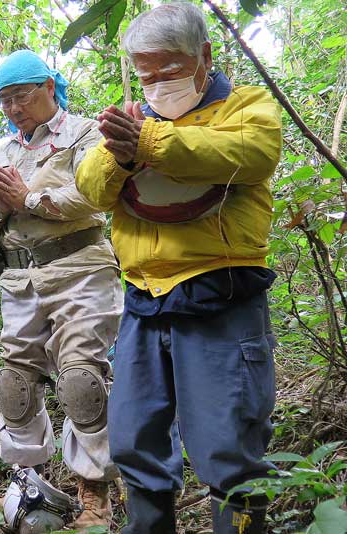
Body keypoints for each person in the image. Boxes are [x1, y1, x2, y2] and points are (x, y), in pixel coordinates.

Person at [75, 3, 282, 532]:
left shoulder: (246, 107)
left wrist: (150, 143)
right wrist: (121, 154)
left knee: (228, 447)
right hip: (143, 300)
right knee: (134, 441)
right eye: (147, 73)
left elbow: (251, 153)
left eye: (169, 69)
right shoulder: (132, 120)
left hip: (222, 296)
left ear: (204, 58)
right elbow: (93, 189)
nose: (157, 83)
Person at [0, 50, 124, 530]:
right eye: (5, 100)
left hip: (79, 269)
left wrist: (29, 199)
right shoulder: (5, 149)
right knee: (13, 383)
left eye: (21, 96)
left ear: (48, 88)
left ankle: (94, 492)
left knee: (81, 380)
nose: (14, 108)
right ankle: (25, 481)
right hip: (21, 277)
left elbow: (95, 195)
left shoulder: (84, 132)